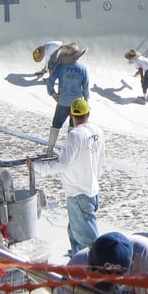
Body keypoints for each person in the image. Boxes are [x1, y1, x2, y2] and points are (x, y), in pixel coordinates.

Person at [32, 97, 106, 256]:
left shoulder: (75, 135)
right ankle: (77, 256)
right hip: (91, 190)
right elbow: (100, 161)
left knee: (88, 240)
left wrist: (37, 166)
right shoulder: (98, 131)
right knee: (74, 229)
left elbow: (62, 164)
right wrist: (93, 178)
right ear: (88, 113)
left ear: (71, 115)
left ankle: (91, 267)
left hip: (78, 193)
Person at [45, 42, 89, 155]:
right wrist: (86, 100)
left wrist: (53, 94)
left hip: (62, 101)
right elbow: (85, 86)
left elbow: (50, 81)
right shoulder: (83, 68)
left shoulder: (60, 67)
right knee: (73, 127)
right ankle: (70, 152)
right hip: (77, 103)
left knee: (56, 125)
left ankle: (49, 149)